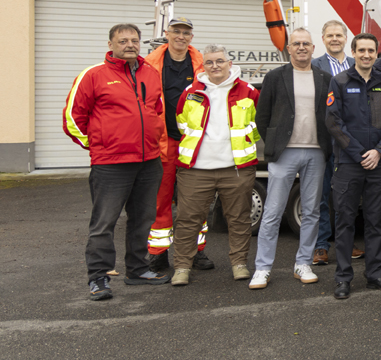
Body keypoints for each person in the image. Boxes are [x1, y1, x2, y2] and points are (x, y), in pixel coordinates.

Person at [63, 23, 169, 300]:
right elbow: (73, 119)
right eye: (123, 41)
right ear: (110, 45)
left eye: (134, 40)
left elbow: (156, 111)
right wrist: (99, 146)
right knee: (104, 223)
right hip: (110, 164)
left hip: (148, 162)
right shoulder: (93, 75)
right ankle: (98, 277)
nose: (130, 45)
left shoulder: (150, 73)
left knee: (142, 219)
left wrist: (154, 142)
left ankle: (137, 270)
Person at [169, 45, 262, 286]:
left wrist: (242, 144)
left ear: (229, 64)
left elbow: (258, 124)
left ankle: (239, 264)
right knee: (188, 219)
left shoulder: (249, 92)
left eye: (220, 61)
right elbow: (181, 123)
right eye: (209, 62)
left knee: (239, 219)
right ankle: (182, 267)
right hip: (196, 169)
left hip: (236, 169)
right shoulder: (191, 92)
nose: (215, 66)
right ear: (203, 66)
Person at [249, 28, 332, 289]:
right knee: (273, 211)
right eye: (296, 43)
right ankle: (262, 268)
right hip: (284, 153)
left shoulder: (325, 78)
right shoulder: (275, 77)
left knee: (311, 211)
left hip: (316, 152)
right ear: (289, 49)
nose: (301, 47)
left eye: (306, 43)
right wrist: (274, 144)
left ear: (313, 48)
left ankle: (303, 263)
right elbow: (262, 116)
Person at [325, 33, 381, 299]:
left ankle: (375, 274)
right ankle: (343, 278)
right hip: (349, 163)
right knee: (345, 221)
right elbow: (333, 122)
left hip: (377, 163)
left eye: (371, 50)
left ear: (376, 52)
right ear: (354, 52)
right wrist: (360, 154)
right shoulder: (340, 81)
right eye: (362, 50)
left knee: (375, 221)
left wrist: (379, 151)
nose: (367, 55)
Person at [145, 17, 207, 273]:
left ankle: (197, 251)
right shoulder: (150, 64)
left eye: (186, 32)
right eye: (176, 31)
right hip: (164, 142)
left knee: (195, 199)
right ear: (167, 33)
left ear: (192, 37)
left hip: (194, 142)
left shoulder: (202, 64)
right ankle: (158, 253)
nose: (181, 36)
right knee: (160, 199)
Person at [312, 20, 352, 266]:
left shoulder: (357, 64)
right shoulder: (314, 66)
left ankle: (347, 242)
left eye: (339, 35)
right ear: (323, 39)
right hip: (325, 140)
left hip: (351, 142)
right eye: (330, 35)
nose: (335, 39)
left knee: (348, 196)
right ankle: (321, 245)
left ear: (346, 38)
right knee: (322, 195)